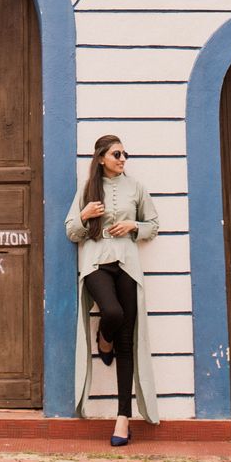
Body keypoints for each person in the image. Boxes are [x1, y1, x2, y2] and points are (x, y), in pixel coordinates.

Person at [65, 134, 159, 445]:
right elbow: (70, 231)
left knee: (127, 341)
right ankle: (103, 339)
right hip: (96, 262)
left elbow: (153, 225)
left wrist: (133, 227)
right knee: (113, 312)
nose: (122, 159)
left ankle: (123, 418)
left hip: (128, 265)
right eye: (117, 154)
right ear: (102, 157)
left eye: (124, 154)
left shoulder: (136, 187)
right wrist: (85, 215)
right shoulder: (88, 189)